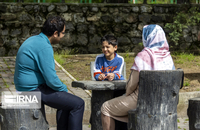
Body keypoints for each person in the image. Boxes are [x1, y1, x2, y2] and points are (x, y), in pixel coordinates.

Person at [14, 16, 84, 130]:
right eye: (63, 33)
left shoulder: (34, 39)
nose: (63, 36)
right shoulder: (44, 47)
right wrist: (64, 88)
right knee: (78, 104)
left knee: (66, 103)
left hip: (26, 87)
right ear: (55, 33)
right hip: (32, 90)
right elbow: (51, 79)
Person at [101, 24, 176, 130]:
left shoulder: (144, 56)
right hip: (164, 102)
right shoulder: (168, 57)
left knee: (106, 108)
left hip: (141, 100)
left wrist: (126, 94)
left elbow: (131, 85)